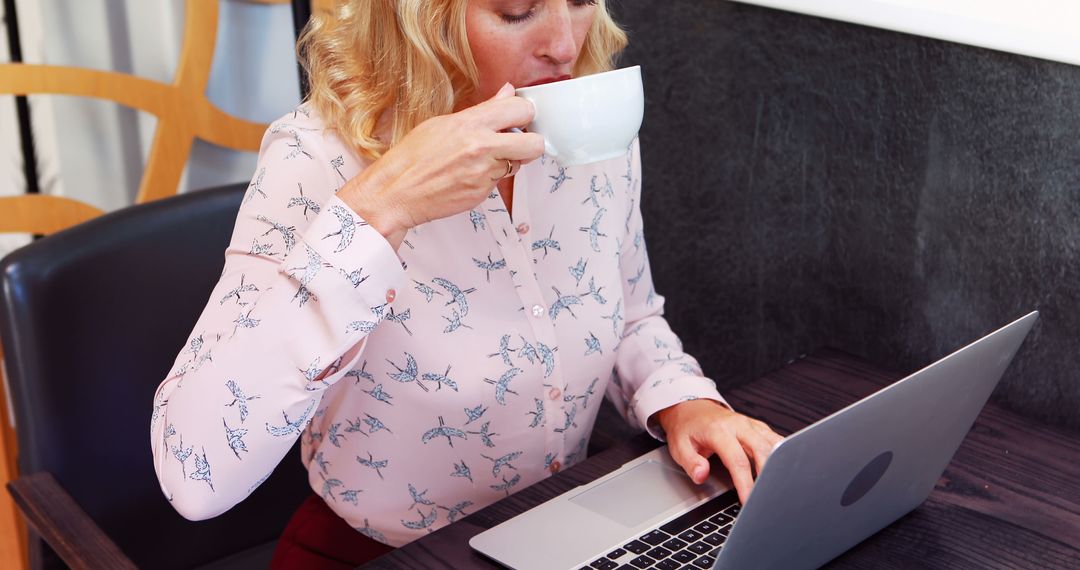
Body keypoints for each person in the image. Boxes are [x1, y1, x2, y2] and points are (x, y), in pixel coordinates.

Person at [150, 0, 784, 567]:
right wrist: (380, 211)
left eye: (582, 0)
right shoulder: (314, 160)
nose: (564, 44)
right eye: (516, 12)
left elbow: (628, 317)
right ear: (419, 18)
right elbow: (193, 476)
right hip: (381, 553)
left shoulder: (588, 116)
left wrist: (684, 403)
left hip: (559, 533)